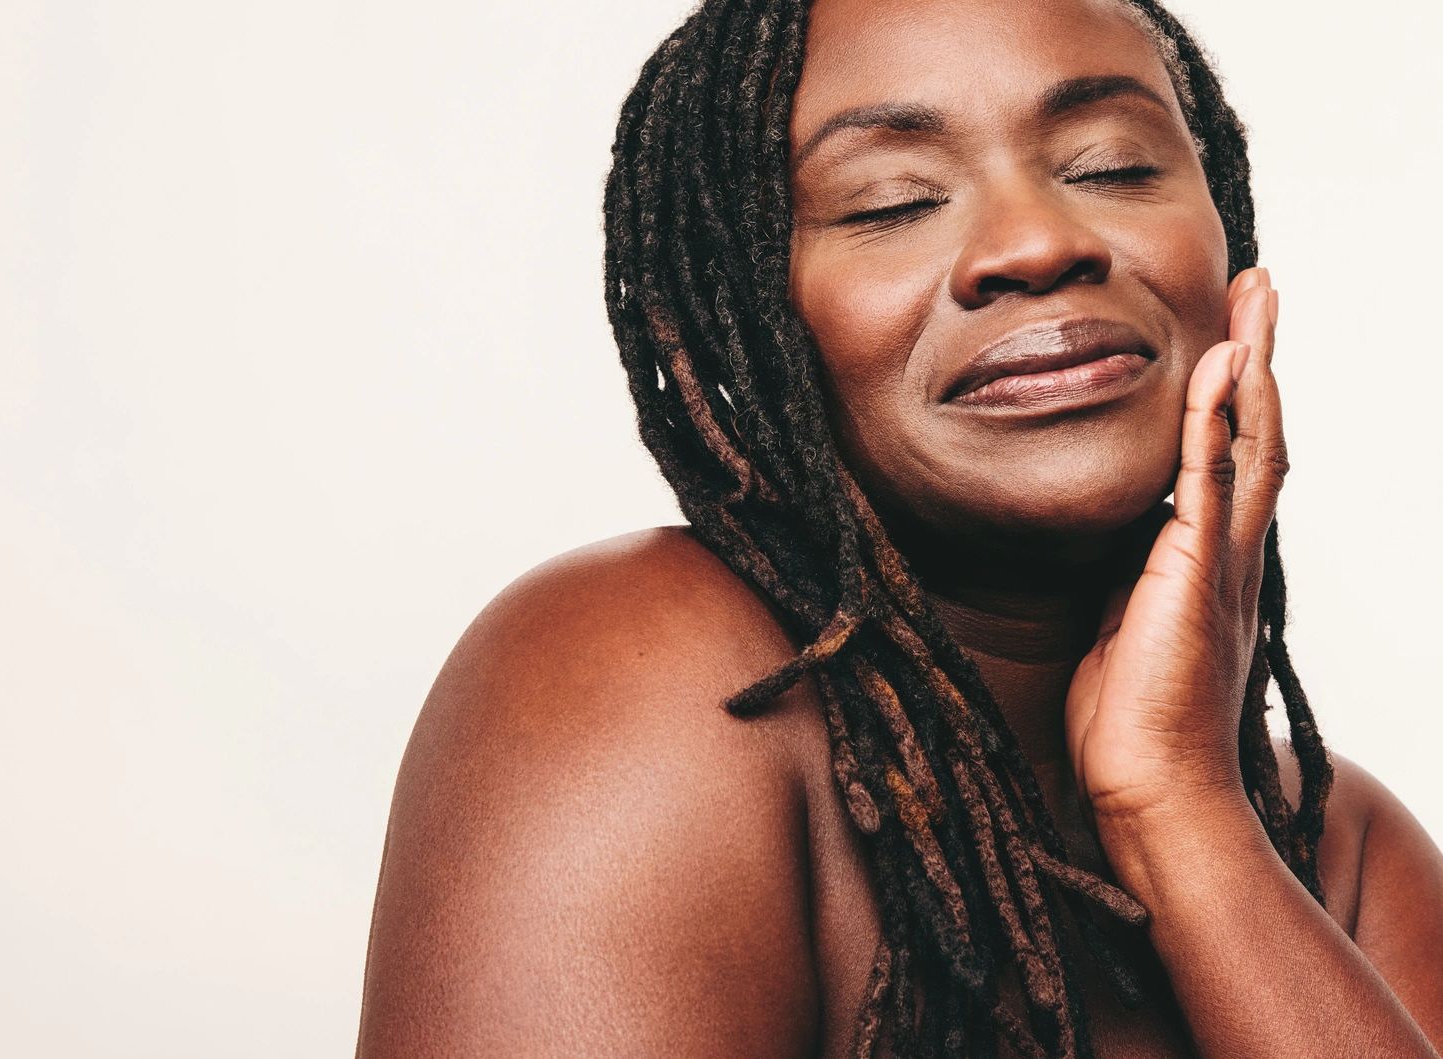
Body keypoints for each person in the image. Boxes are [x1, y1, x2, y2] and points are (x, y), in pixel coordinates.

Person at [357, 0, 1443, 1055]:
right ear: (746, 308)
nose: (1036, 243)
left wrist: (1184, 816)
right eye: (890, 202)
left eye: (1109, 167)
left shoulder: (1338, 850)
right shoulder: (637, 673)